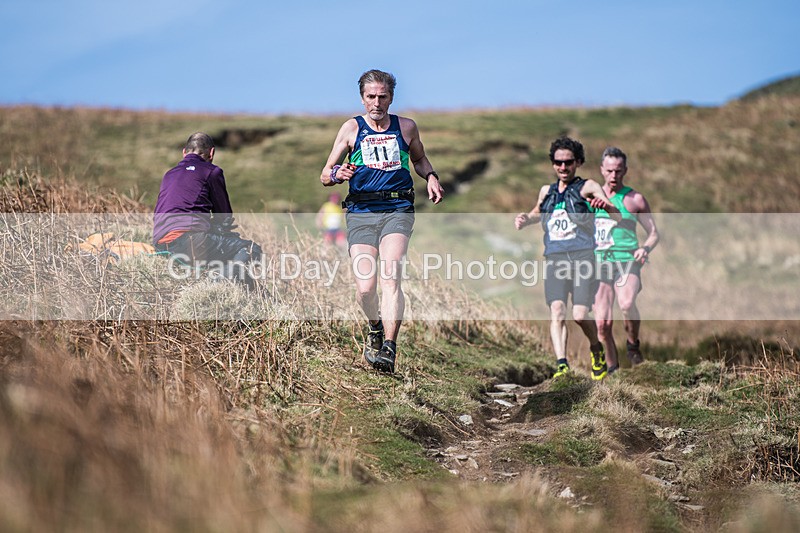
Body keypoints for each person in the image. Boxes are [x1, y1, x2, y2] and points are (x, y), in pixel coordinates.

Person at [320, 69, 444, 373]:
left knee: (391, 276)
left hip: (397, 208)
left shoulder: (407, 127)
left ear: (391, 97)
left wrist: (431, 177)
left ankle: (389, 347)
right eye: (371, 97)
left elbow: (419, 158)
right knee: (366, 288)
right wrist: (338, 174)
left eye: (383, 96)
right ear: (362, 98)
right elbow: (325, 174)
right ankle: (374, 327)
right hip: (362, 212)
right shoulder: (351, 128)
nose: (377, 102)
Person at [514, 137, 620, 381]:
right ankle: (562, 365)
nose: (563, 167)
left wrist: (605, 206)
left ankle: (596, 348)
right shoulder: (546, 191)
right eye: (558, 162)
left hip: (583, 257)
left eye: (568, 162)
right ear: (553, 164)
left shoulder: (589, 186)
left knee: (580, 315)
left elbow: (617, 218)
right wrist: (524, 219)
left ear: (578, 162)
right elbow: (537, 213)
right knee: (557, 310)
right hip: (555, 257)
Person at [153, 132, 262, 289]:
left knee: (220, 250)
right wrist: (221, 229)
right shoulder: (211, 171)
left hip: (161, 243)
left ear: (184, 152)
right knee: (251, 249)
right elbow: (224, 216)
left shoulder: (168, 175)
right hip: (188, 241)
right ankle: (217, 285)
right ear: (211, 153)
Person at [593, 147, 659, 372]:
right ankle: (613, 370)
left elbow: (653, 233)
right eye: (609, 171)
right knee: (602, 324)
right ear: (602, 170)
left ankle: (632, 345)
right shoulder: (591, 198)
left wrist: (645, 249)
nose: (614, 176)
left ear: (625, 171)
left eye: (618, 171)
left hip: (627, 260)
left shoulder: (635, 199)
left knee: (627, 303)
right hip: (599, 263)